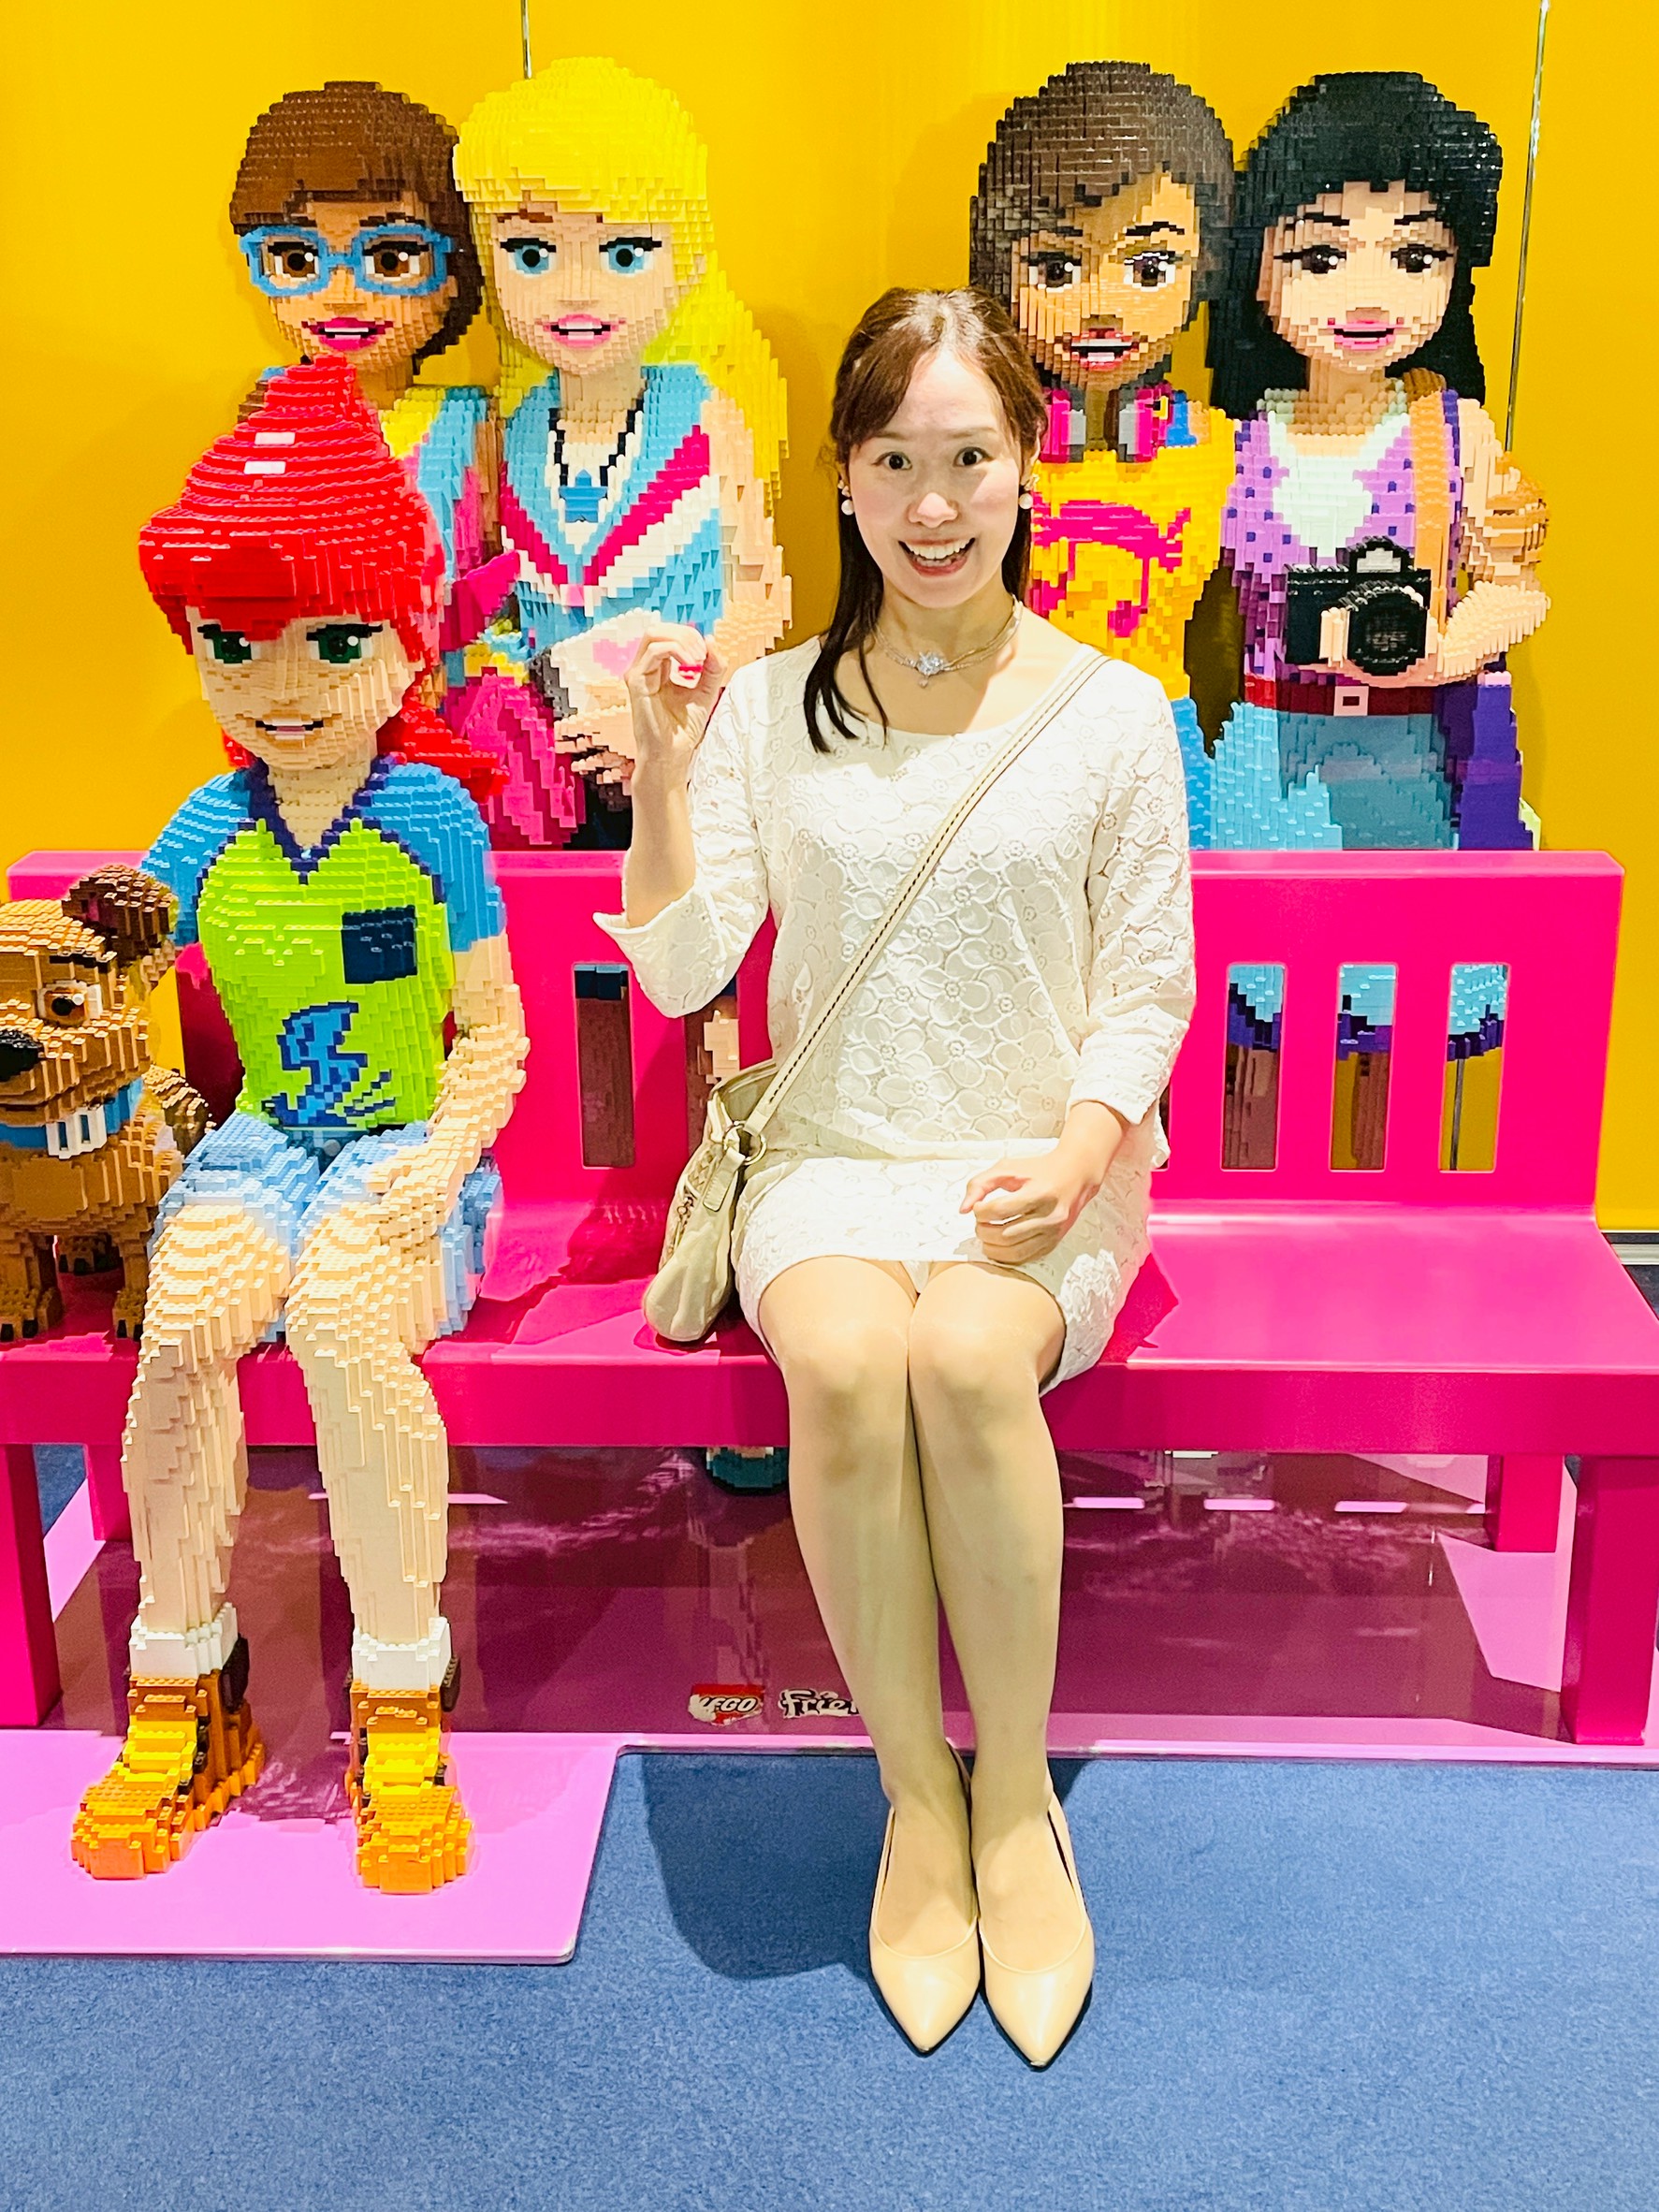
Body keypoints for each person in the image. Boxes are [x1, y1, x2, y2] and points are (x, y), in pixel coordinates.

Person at [598, 290, 1194, 2062]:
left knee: (964, 1355)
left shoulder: (1112, 710)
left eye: (967, 459)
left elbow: (1147, 984)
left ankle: (1015, 1804)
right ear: (845, 479)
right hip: (836, 1157)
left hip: (1039, 1159)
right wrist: (665, 780)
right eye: (892, 463)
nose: (933, 506)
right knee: (855, 1362)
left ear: (1023, 467)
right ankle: (915, 1794)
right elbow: (685, 969)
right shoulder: (772, 708)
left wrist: (1080, 1148)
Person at [70, 357, 528, 1896]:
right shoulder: (210, 830)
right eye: (233, 640)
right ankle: (184, 1687)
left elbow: (496, 1037)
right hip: (266, 1144)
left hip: (405, 1149)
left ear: (401, 644)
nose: (283, 680)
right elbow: (111, 955)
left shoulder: (430, 823)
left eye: (332, 640)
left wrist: (443, 1159)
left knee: (343, 1323)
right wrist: (93, 1006)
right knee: (185, 1317)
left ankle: (400, 1698)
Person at [1203, 72, 1549, 849]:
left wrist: (1441, 653)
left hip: (1406, 759)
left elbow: (1516, 589)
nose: (1366, 298)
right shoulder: (1230, 439)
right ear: (1257, 267)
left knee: (1401, 928)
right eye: (1320, 257)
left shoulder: (1451, 431)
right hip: (1262, 753)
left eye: (1414, 256)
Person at [453, 56, 791, 846]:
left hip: (694, 770)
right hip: (550, 790)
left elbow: (763, 599)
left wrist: (672, 713)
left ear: (689, 258)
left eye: (625, 252)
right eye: (531, 254)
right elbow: (498, 603)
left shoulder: (706, 416)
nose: (577, 291)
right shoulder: (510, 430)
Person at [971, 61, 1234, 843]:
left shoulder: (1223, 447)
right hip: (1013, 742)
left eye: (1148, 268)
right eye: (1055, 268)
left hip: (1161, 736)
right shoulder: (983, 448)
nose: (1101, 308)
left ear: (1203, 268)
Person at [229, 81, 518, 702]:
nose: (341, 295)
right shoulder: (270, 417)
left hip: (449, 705)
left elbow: (505, 580)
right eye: (297, 259)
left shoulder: (470, 425)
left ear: (452, 276)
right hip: (313, 709)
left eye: (389, 260)